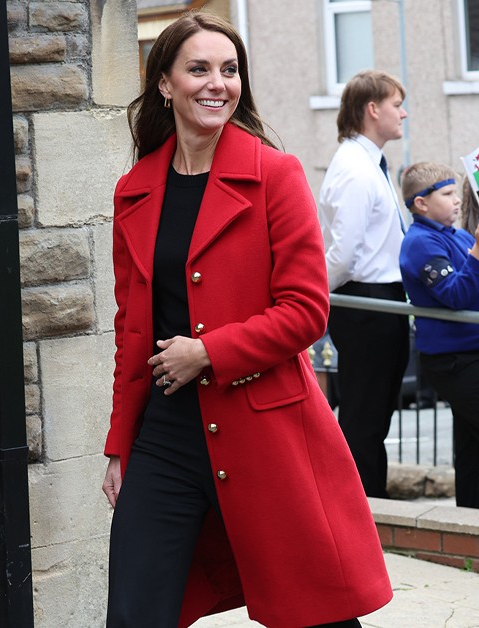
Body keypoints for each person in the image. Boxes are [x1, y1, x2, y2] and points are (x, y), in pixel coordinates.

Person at [100, 12, 391, 627]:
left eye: (229, 70)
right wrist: (118, 445)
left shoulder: (275, 175)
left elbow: (306, 311)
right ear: (165, 84)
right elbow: (132, 329)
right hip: (167, 433)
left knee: (313, 611)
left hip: (266, 425)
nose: (218, 83)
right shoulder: (134, 189)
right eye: (199, 68)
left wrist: (208, 352)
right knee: (134, 609)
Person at [318, 69, 410, 498]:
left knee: (375, 417)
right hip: (365, 302)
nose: (403, 114)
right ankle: (363, 511)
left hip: (379, 300)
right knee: (364, 417)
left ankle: (374, 504)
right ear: (372, 110)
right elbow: (343, 254)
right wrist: (319, 296)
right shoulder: (356, 169)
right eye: (396, 105)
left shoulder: (368, 163)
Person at [398, 162, 479, 508]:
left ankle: (468, 523)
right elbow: (457, 295)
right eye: (447, 194)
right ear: (421, 203)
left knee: (471, 445)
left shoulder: (457, 236)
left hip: (469, 355)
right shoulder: (420, 243)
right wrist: (476, 254)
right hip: (453, 361)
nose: (456, 201)